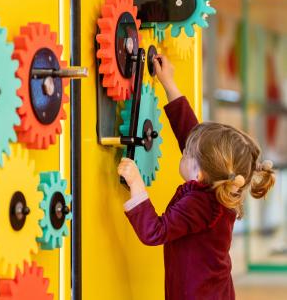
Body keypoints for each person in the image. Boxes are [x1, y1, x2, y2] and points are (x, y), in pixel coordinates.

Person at [117, 54, 275, 300]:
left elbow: (155, 232)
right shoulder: (217, 184)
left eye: (188, 151)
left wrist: (137, 184)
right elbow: (189, 132)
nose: (185, 148)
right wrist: (168, 83)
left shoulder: (201, 205)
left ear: (199, 172)